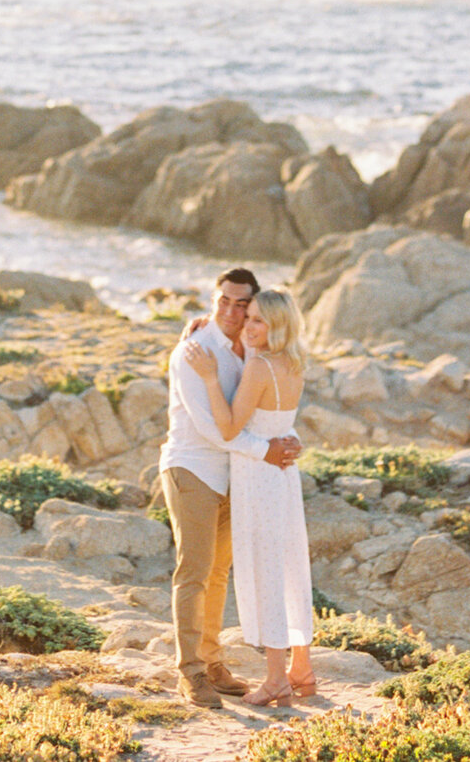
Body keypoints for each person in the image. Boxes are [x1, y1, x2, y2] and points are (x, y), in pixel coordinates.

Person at [158, 267, 303, 707]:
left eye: (241, 304)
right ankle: (191, 673)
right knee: (195, 571)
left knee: (218, 573)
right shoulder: (194, 350)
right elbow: (212, 429)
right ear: (214, 298)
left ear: (253, 307)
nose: (230, 310)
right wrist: (267, 451)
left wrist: (284, 439)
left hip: (233, 476)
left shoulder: (250, 349)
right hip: (193, 469)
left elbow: (260, 410)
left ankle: (213, 662)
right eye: (223, 299)